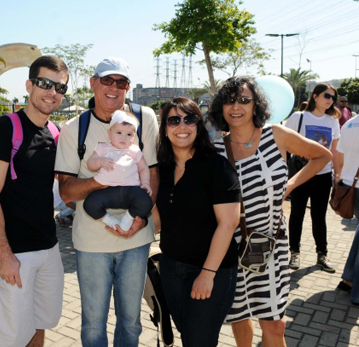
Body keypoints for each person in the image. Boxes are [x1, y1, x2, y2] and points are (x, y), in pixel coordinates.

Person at [208, 75, 332, 347]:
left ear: (256, 105)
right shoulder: (216, 149)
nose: (236, 106)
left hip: (271, 246)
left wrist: (289, 185)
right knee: (241, 325)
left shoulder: (277, 135)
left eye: (244, 100)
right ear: (221, 107)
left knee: (275, 328)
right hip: (232, 251)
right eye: (229, 101)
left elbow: (323, 156)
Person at [55, 57, 159, 346]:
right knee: (92, 325)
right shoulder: (74, 128)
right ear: (93, 83)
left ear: (128, 88)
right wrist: (98, 181)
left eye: (122, 82)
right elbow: (65, 192)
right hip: (91, 244)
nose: (114, 88)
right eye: (107, 80)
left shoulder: (144, 118)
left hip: (135, 239)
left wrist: (140, 219)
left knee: (131, 323)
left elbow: (152, 172)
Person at [0, 55, 68, 347]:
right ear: (29, 85)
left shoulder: (54, 132)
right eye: (44, 83)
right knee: (11, 336)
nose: (52, 91)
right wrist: (5, 255)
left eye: (60, 87)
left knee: (41, 324)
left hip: (49, 247)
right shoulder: (5, 128)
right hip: (12, 252)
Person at [156, 97, 240, 346]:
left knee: (198, 341)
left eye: (189, 119)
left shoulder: (216, 166)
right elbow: (159, 218)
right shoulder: (161, 168)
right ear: (165, 128)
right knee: (189, 336)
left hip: (212, 270)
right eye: (173, 120)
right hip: (171, 268)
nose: (182, 126)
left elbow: (228, 223)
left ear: (199, 125)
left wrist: (207, 273)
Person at [285, 83, 341, 272]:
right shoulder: (298, 117)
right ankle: (294, 253)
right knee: (297, 214)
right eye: (327, 95)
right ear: (315, 96)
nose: (330, 100)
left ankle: (321, 255)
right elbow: (286, 145)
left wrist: (337, 173)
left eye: (333, 97)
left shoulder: (332, 120)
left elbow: (334, 150)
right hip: (302, 174)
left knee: (319, 216)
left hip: (323, 176)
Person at [83, 110, 153, 231]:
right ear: (109, 133)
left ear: (134, 136)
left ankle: (128, 218)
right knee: (90, 204)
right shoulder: (103, 148)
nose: (123, 137)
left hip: (131, 190)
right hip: (106, 189)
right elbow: (90, 164)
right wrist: (100, 161)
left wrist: (146, 183)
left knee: (146, 203)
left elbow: (143, 168)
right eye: (119, 132)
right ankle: (111, 222)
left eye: (129, 134)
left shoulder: (134, 150)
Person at [335, 114, 359, 305]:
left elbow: (340, 155)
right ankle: (356, 292)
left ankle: (349, 278)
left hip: (351, 186)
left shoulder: (350, 123)